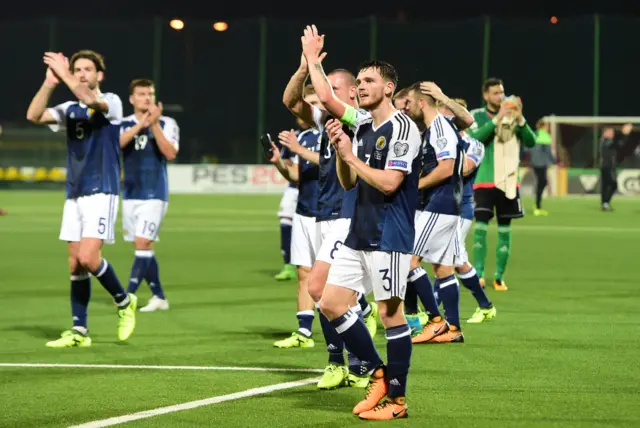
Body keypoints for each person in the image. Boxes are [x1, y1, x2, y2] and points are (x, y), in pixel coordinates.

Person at [320, 60, 421, 420]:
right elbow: (348, 182)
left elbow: (391, 183)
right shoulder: (362, 125)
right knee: (330, 303)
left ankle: (397, 402)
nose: (360, 86)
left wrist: (350, 155)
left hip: (389, 234)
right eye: (358, 81)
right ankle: (378, 373)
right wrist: (340, 151)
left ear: (389, 87)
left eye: (368, 81)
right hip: (358, 233)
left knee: (390, 314)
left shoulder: (404, 129)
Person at [281, 25, 379, 389]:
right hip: (323, 213)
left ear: (351, 92)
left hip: (348, 217)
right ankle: (346, 361)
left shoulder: (362, 122)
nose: (323, 98)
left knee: (322, 289)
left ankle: (357, 361)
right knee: (326, 294)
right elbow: (291, 102)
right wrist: (305, 68)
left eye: (332, 90)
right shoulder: (327, 121)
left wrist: (312, 62)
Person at [26, 50, 137, 347]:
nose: (82, 73)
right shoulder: (68, 108)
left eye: (87, 69)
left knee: (89, 258)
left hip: (102, 190)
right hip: (74, 192)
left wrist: (65, 74)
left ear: (99, 75)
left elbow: (91, 101)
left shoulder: (112, 101)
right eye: (77, 69)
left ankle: (124, 302)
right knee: (75, 264)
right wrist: (50, 82)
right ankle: (79, 332)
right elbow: (34, 115)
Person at [402, 83, 465, 344]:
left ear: (422, 103)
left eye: (409, 103)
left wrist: (414, 186)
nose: (406, 108)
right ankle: (454, 329)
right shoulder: (436, 127)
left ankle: (435, 321)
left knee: (409, 260)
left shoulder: (439, 127)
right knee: (443, 268)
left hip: (440, 204)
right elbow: (467, 120)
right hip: (449, 204)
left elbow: (446, 168)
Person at [467, 78, 536, 291]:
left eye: (502, 92)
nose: (500, 96)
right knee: (480, 229)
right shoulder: (477, 115)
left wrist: (521, 119)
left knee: (505, 230)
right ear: (486, 95)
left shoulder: (514, 117)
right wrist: (497, 119)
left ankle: (498, 277)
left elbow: (531, 141)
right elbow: (475, 138)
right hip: (484, 182)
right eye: (495, 93)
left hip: (508, 182)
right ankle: (478, 274)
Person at [120, 79, 179, 312]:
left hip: (155, 193)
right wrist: (139, 125)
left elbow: (170, 153)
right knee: (142, 246)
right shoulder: (122, 123)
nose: (147, 98)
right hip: (131, 194)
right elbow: (116, 145)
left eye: (150, 94)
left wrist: (153, 125)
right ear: (132, 99)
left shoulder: (167, 123)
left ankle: (127, 297)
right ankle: (159, 297)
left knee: (143, 241)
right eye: (141, 94)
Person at [271, 85, 321, 349]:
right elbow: (297, 176)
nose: (309, 107)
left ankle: (362, 312)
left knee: (332, 276)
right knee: (304, 273)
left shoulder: (337, 131)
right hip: (304, 210)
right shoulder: (306, 136)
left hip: (330, 215)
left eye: (314, 101)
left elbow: (333, 163)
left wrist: (298, 150)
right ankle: (304, 332)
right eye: (307, 102)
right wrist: (280, 161)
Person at [273, 119, 304, 281]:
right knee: (285, 220)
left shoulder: (322, 134)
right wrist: (283, 162)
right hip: (293, 187)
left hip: (315, 187)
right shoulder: (294, 136)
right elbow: (285, 159)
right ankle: (288, 266)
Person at [600, 124, 632, 211]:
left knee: (606, 185)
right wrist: (625, 133)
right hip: (607, 167)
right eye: (610, 132)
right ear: (605, 133)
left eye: (612, 132)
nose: (612, 134)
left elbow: (619, 143)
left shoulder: (608, 142)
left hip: (608, 167)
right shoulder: (606, 142)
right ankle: (605, 203)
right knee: (612, 184)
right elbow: (618, 143)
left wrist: (625, 135)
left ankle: (605, 203)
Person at [527, 119, 555, 216]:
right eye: (546, 126)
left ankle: (537, 204)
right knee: (542, 182)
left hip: (536, 163)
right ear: (542, 126)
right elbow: (548, 152)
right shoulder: (546, 136)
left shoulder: (534, 134)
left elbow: (527, 148)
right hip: (541, 163)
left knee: (541, 182)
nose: (548, 128)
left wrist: (531, 158)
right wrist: (554, 161)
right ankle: (537, 206)